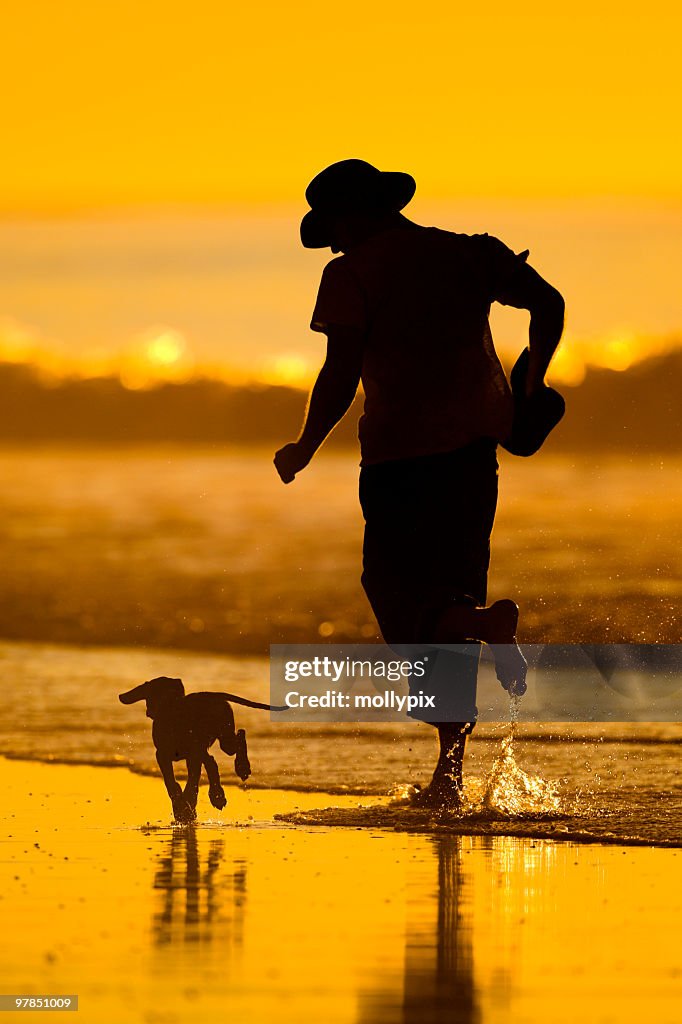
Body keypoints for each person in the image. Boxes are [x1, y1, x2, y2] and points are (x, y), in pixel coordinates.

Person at [274, 159, 565, 809]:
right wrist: (535, 380)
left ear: (355, 215)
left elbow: (341, 372)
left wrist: (305, 444)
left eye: (336, 228)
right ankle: (450, 773)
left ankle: (484, 636)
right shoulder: (470, 255)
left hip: (399, 460)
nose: (335, 243)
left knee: (402, 601)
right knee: (453, 598)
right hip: (473, 457)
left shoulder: (350, 274)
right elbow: (549, 303)